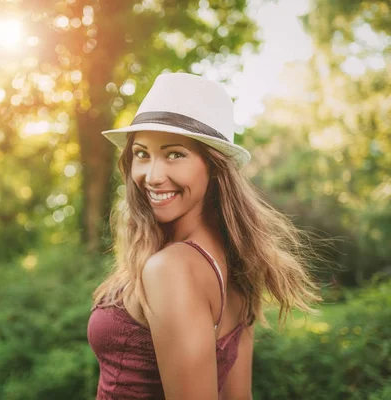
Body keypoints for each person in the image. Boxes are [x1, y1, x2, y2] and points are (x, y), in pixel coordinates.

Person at [86, 73, 322, 399]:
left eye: (174, 154)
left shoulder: (171, 269)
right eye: (142, 153)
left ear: (213, 167)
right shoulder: (236, 263)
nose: (152, 176)